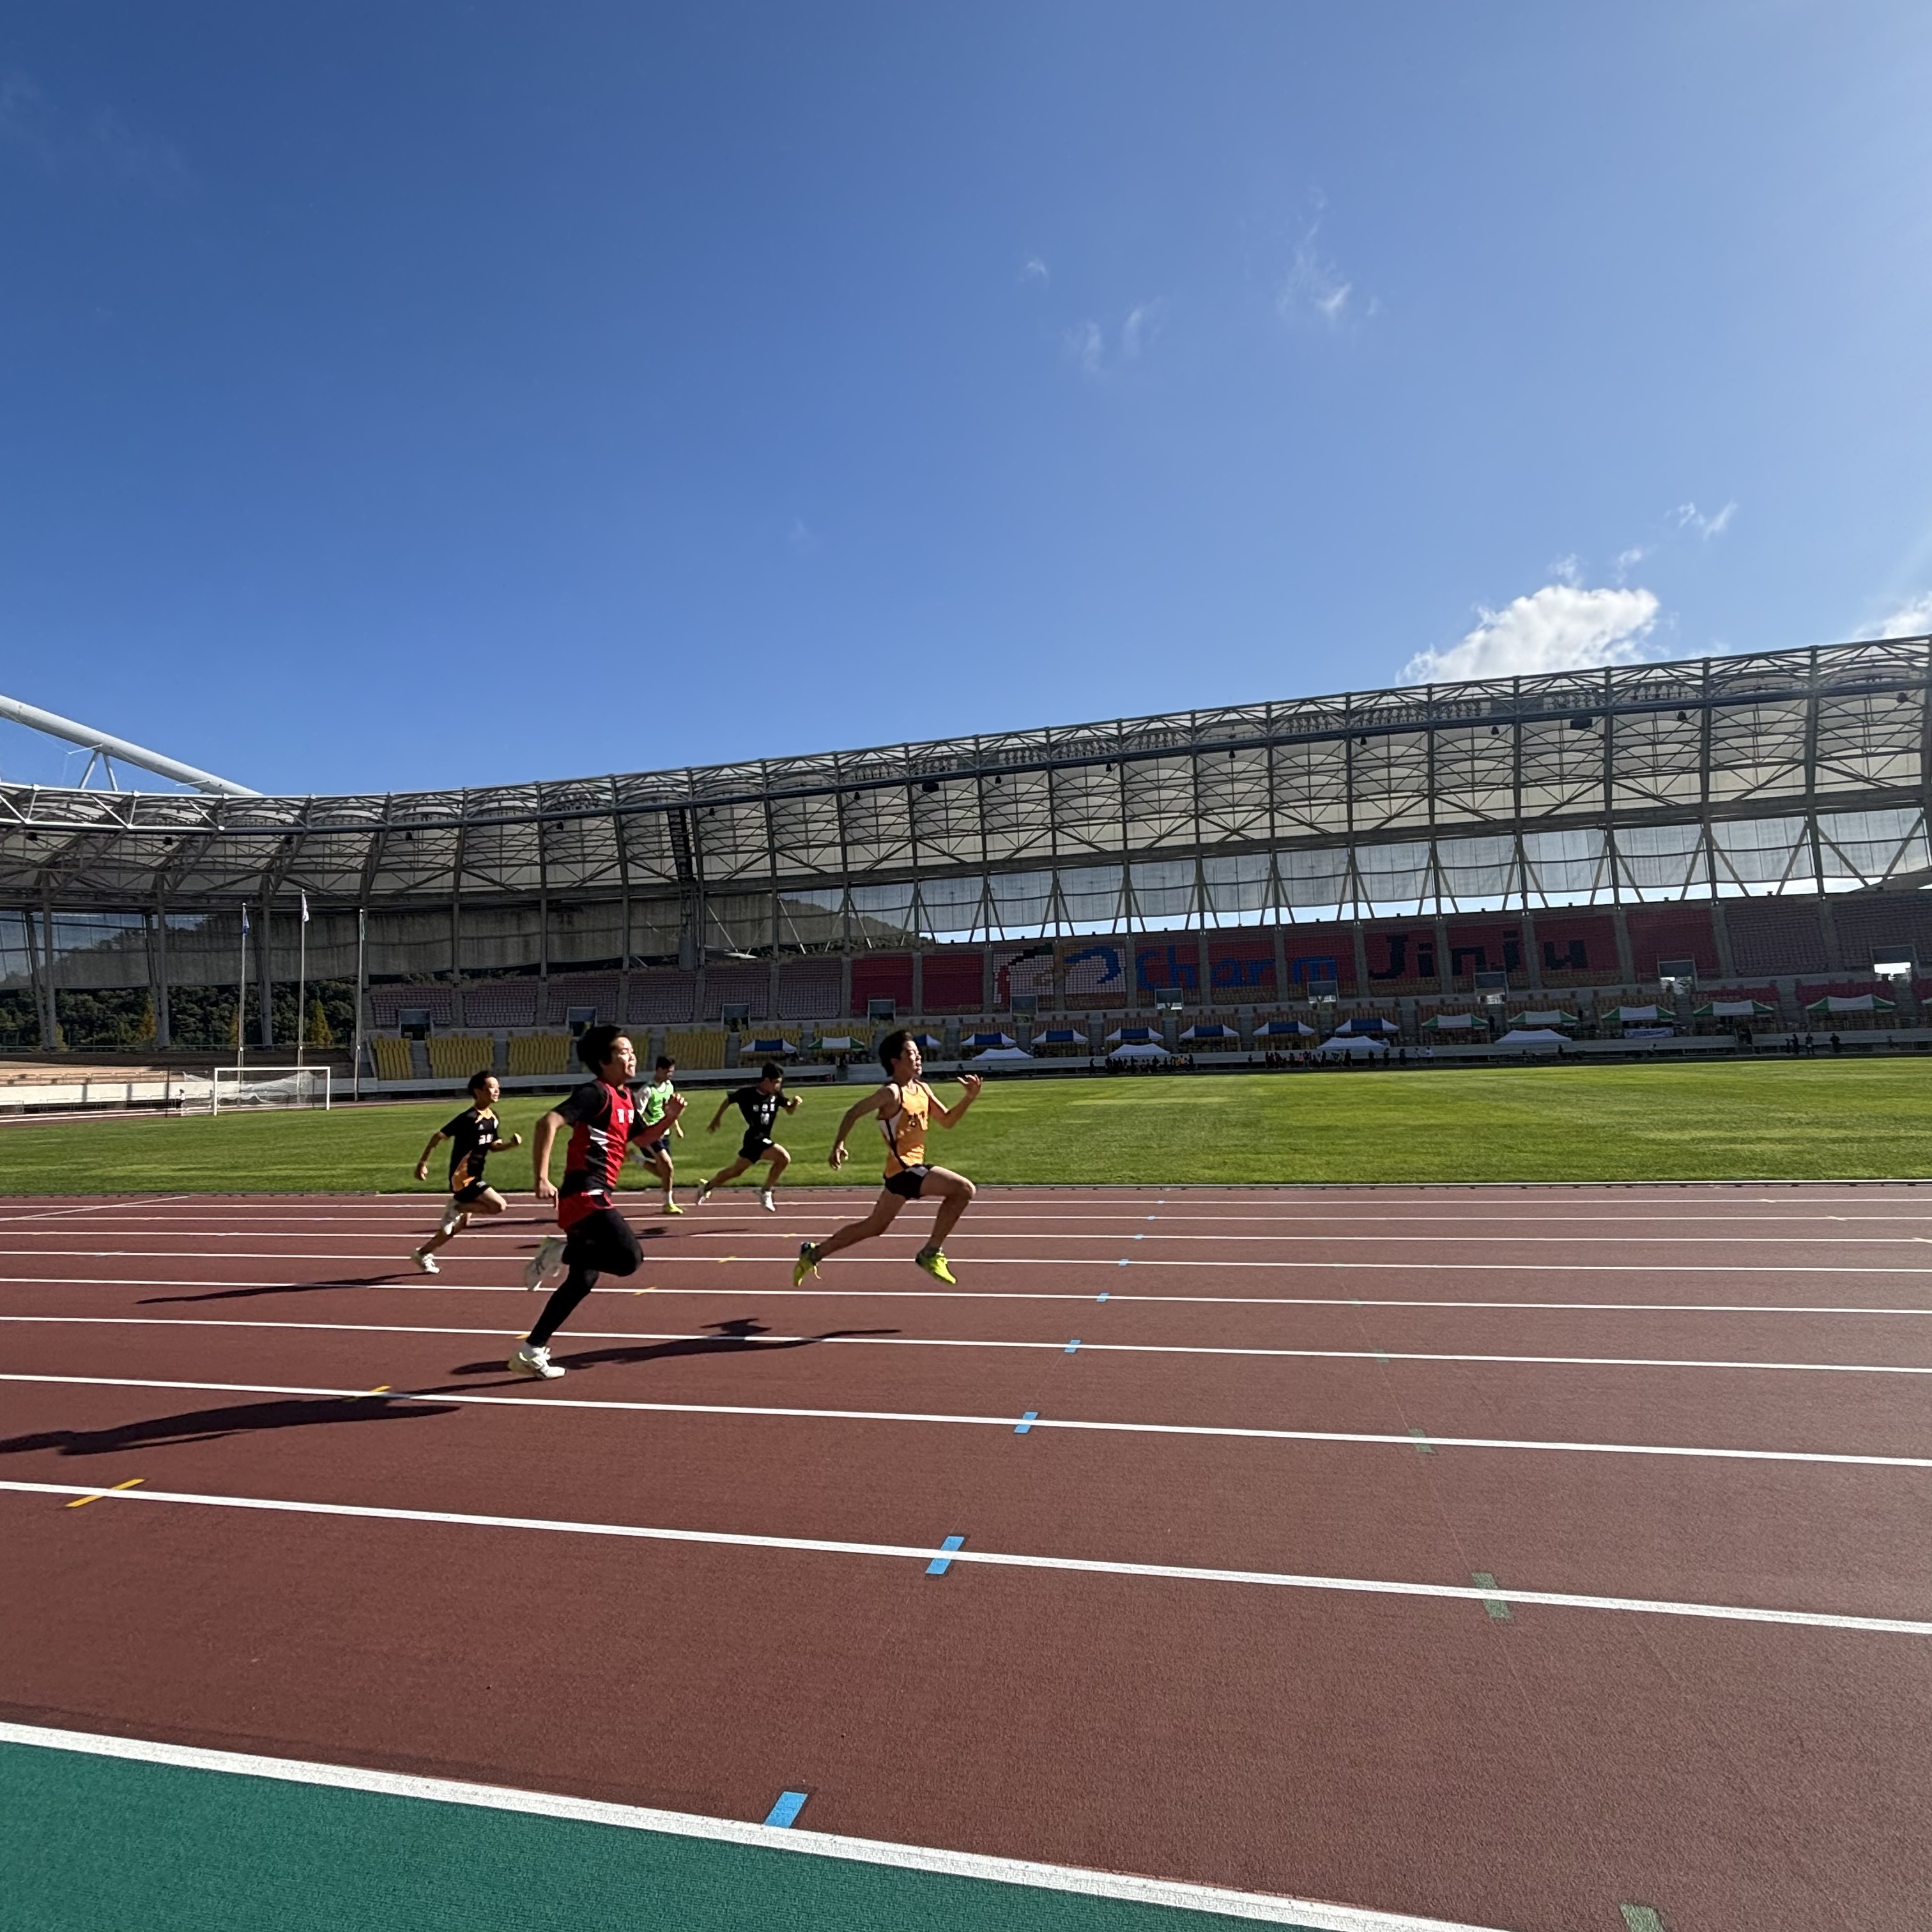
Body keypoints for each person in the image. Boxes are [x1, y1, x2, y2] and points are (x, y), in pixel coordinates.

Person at [511, 1025, 669, 1380]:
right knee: (629, 1259)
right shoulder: (594, 1094)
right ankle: (558, 1252)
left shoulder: (625, 1097)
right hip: (585, 1191)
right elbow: (547, 1122)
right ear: (603, 1061)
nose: (632, 1056)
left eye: (632, 1050)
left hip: (593, 1194)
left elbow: (642, 1137)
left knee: (583, 1279)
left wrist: (670, 1118)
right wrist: (541, 1177)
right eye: (623, 1052)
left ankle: (531, 1350)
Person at [793, 1029, 982, 1287]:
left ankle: (813, 1253)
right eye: (912, 1054)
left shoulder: (923, 1090)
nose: (918, 1058)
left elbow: (947, 1120)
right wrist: (838, 1144)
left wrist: (968, 1098)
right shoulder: (891, 1093)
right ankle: (930, 1252)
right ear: (896, 1061)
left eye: (918, 1053)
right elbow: (853, 1112)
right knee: (963, 1190)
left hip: (898, 1175)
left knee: (874, 1226)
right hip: (906, 1170)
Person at [409, 1071, 521, 1273]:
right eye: (491, 1087)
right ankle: (457, 1208)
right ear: (478, 1092)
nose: (497, 1091)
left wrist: (510, 1145)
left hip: (476, 1175)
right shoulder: (468, 1118)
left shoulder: (493, 1118)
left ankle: (423, 1253)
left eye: (497, 1087)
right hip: (462, 1176)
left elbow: (493, 1145)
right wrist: (422, 1163)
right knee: (499, 1206)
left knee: (457, 1228)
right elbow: (438, 1137)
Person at [694, 1062, 799, 1211]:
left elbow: (789, 1110)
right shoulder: (748, 1094)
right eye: (775, 1082)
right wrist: (716, 1119)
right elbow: (729, 1100)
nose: (777, 1086)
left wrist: (794, 1104)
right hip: (754, 1138)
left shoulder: (776, 1095)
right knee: (784, 1158)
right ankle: (766, 1192)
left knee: (735, 1172)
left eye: (779, 1083)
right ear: (766, 1081)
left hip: (762, 1138)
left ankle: (706, 1186)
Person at [631, 1054, 685, 1213]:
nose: (670, 1075)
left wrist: (677, 1127)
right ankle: (668, 1204)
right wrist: (651, 1132)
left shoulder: (669, 1086)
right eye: (668, 1071)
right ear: (659, 1070)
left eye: (672, 1072)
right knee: (667, 1166)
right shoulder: (647, 1090)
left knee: (664, 1172)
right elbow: (637, 1115)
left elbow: (670, 1111)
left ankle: (634, 1158)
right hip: (651, 1134)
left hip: (665, 1132)